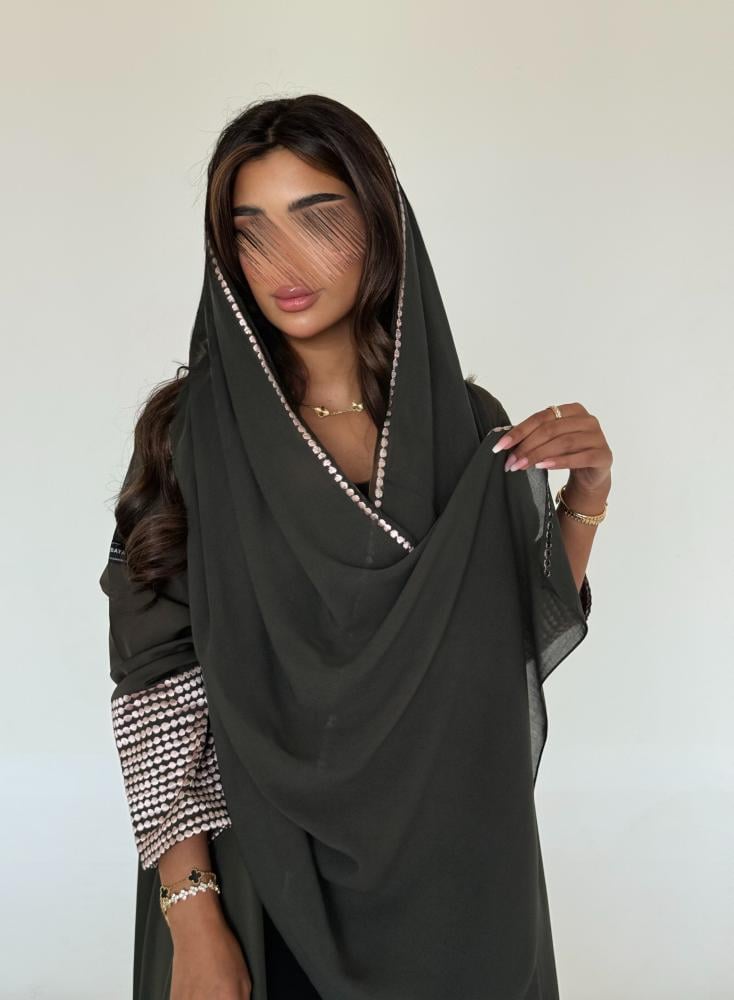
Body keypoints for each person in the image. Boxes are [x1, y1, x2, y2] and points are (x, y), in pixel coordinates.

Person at [99, 93, 611, 1000]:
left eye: (317, 219)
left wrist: (586, 500)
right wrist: (194, 918)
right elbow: (154, 686)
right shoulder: (193, 437)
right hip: (262, 880)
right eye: (250, 232)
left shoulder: (464, 425)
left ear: (380, 223)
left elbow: (501, 645)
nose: (282, 263)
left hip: (456, 877)